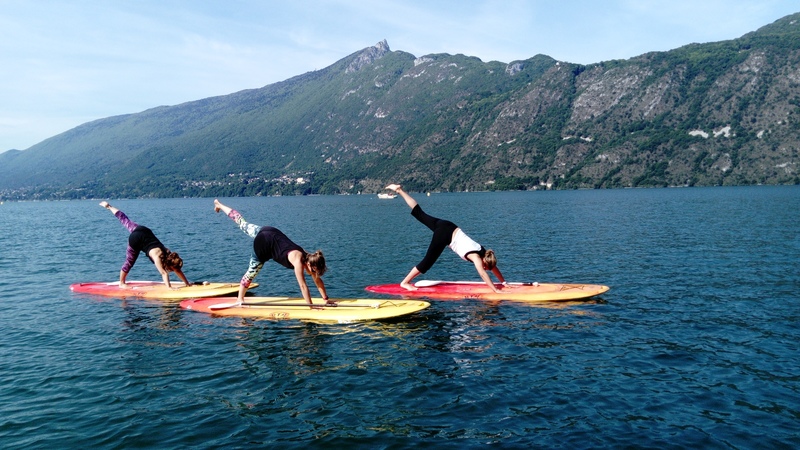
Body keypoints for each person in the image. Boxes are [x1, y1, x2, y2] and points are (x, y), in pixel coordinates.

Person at [385, 184, 506, 292]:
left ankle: (399, 190)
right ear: (485, 260)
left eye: (486, 267)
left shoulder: (486, 254)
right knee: (427, 262)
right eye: (485, 266)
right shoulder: (476, 257)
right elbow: (483, 274)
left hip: (448, 225)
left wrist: (503, 282)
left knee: (420, 214)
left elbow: (493, 267)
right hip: (445, 235)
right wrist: (495, 290)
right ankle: (405, 282)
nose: (485, 267)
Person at [213, 199, 330, 307]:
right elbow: (303, 286)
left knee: (242, 222)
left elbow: (317, 279)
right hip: (263, 244)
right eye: (314, 272)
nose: (314, 274)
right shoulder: (298, 261)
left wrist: (325, 299)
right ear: (309, 265)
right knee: (251, 273)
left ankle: (219, 204)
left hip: (269, 231)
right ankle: (240, 299)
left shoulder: (309, 257)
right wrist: (310, 307)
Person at [100, 201, 190, 289]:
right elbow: (164, 273)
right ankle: (121, 283)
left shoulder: (169, 254)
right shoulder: (157, 257)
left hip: (143, 230)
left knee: (125, 220)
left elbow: (177, 269)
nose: (172, 271)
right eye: (172, 269)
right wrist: (169, 288)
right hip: (135, 239)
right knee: (130, 261)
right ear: (169, 264)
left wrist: (187, 283)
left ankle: (109, 206)